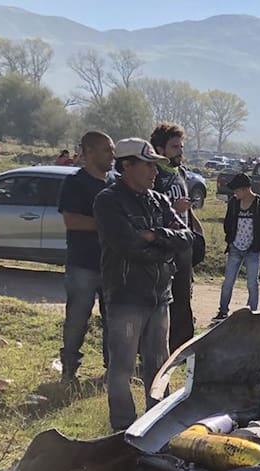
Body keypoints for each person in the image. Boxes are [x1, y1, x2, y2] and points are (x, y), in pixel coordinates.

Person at [93, 138, 194, 432]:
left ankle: (157, 424)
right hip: (125, 295)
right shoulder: (108, 201)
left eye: (155, 166)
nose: (154, 172)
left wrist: (155, 235)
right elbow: (128, 246)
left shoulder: (159, 200)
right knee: (122, 367)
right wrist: (165, 246)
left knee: (159, 366)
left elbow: (187, 238)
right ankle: (123, 427)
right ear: (127, 165)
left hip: (159, 296)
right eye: (148, 165)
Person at [57, 131, 114, 384]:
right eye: (106, 150)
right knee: (77, 319)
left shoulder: (116, 183)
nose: (112, 155)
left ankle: (112, 370)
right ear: (89, 151)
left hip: (112, 264)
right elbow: (71, 220)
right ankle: (69, 371)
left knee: (113, 320)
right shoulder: (75, 182)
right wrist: (108, 225)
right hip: (83, 264)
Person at [150, 123, 203, 351]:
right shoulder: (154, 174)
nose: (180, 151)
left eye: (181, 146)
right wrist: (173, 206)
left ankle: (182, 348)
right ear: (160, 149)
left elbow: (186, 208)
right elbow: (149, 208)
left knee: (183, 297)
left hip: (183, 243)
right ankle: (159, 347)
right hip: (163, 245)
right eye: (174, 147)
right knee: (164, 299)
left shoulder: (180, 173)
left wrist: (196, 228)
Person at [216, 172, 260, 320]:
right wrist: (229, 239)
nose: (235, 193)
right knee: (228, 282)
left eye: (236, 190)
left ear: (245, 189)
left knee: (252, 283)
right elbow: (228, 223)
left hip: (253, 250)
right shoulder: (234, 203)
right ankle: (222, 311)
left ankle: (253, 313)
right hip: (235, 248)